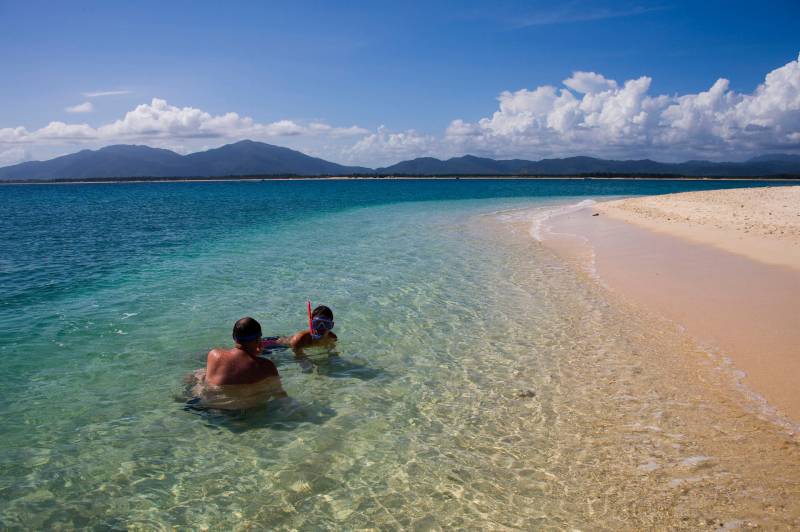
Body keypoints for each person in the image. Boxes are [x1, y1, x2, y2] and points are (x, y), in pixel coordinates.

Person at [188, 317, 286, 410]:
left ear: (234, 337)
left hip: (206, 405)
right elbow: (279, 395)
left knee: (199, 373)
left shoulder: (214, 354)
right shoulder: (266, 365)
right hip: (242, 411)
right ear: (258, 339)